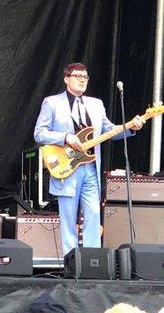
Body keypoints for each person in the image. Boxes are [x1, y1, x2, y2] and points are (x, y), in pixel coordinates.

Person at [34, 62, 145, 255]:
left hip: (91, 168)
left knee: (93, 213)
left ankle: (93, 260)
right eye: (78, 76)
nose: (82, 80)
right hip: (66, 167)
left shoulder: (96, 104)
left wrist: (130, 127)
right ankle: (71, 260)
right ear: (67, 79)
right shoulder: (52, 102)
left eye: (85, 77)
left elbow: (109, 131)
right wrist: (65, 137)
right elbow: (39, 133)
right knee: (68, 217)